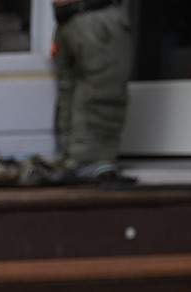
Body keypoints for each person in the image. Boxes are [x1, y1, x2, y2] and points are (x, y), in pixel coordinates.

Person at [51, 0, 136, 179]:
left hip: (91, 15)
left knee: (96, 90)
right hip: (75, 17)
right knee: (74, 93)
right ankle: (80, 159)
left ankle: (85, 159)